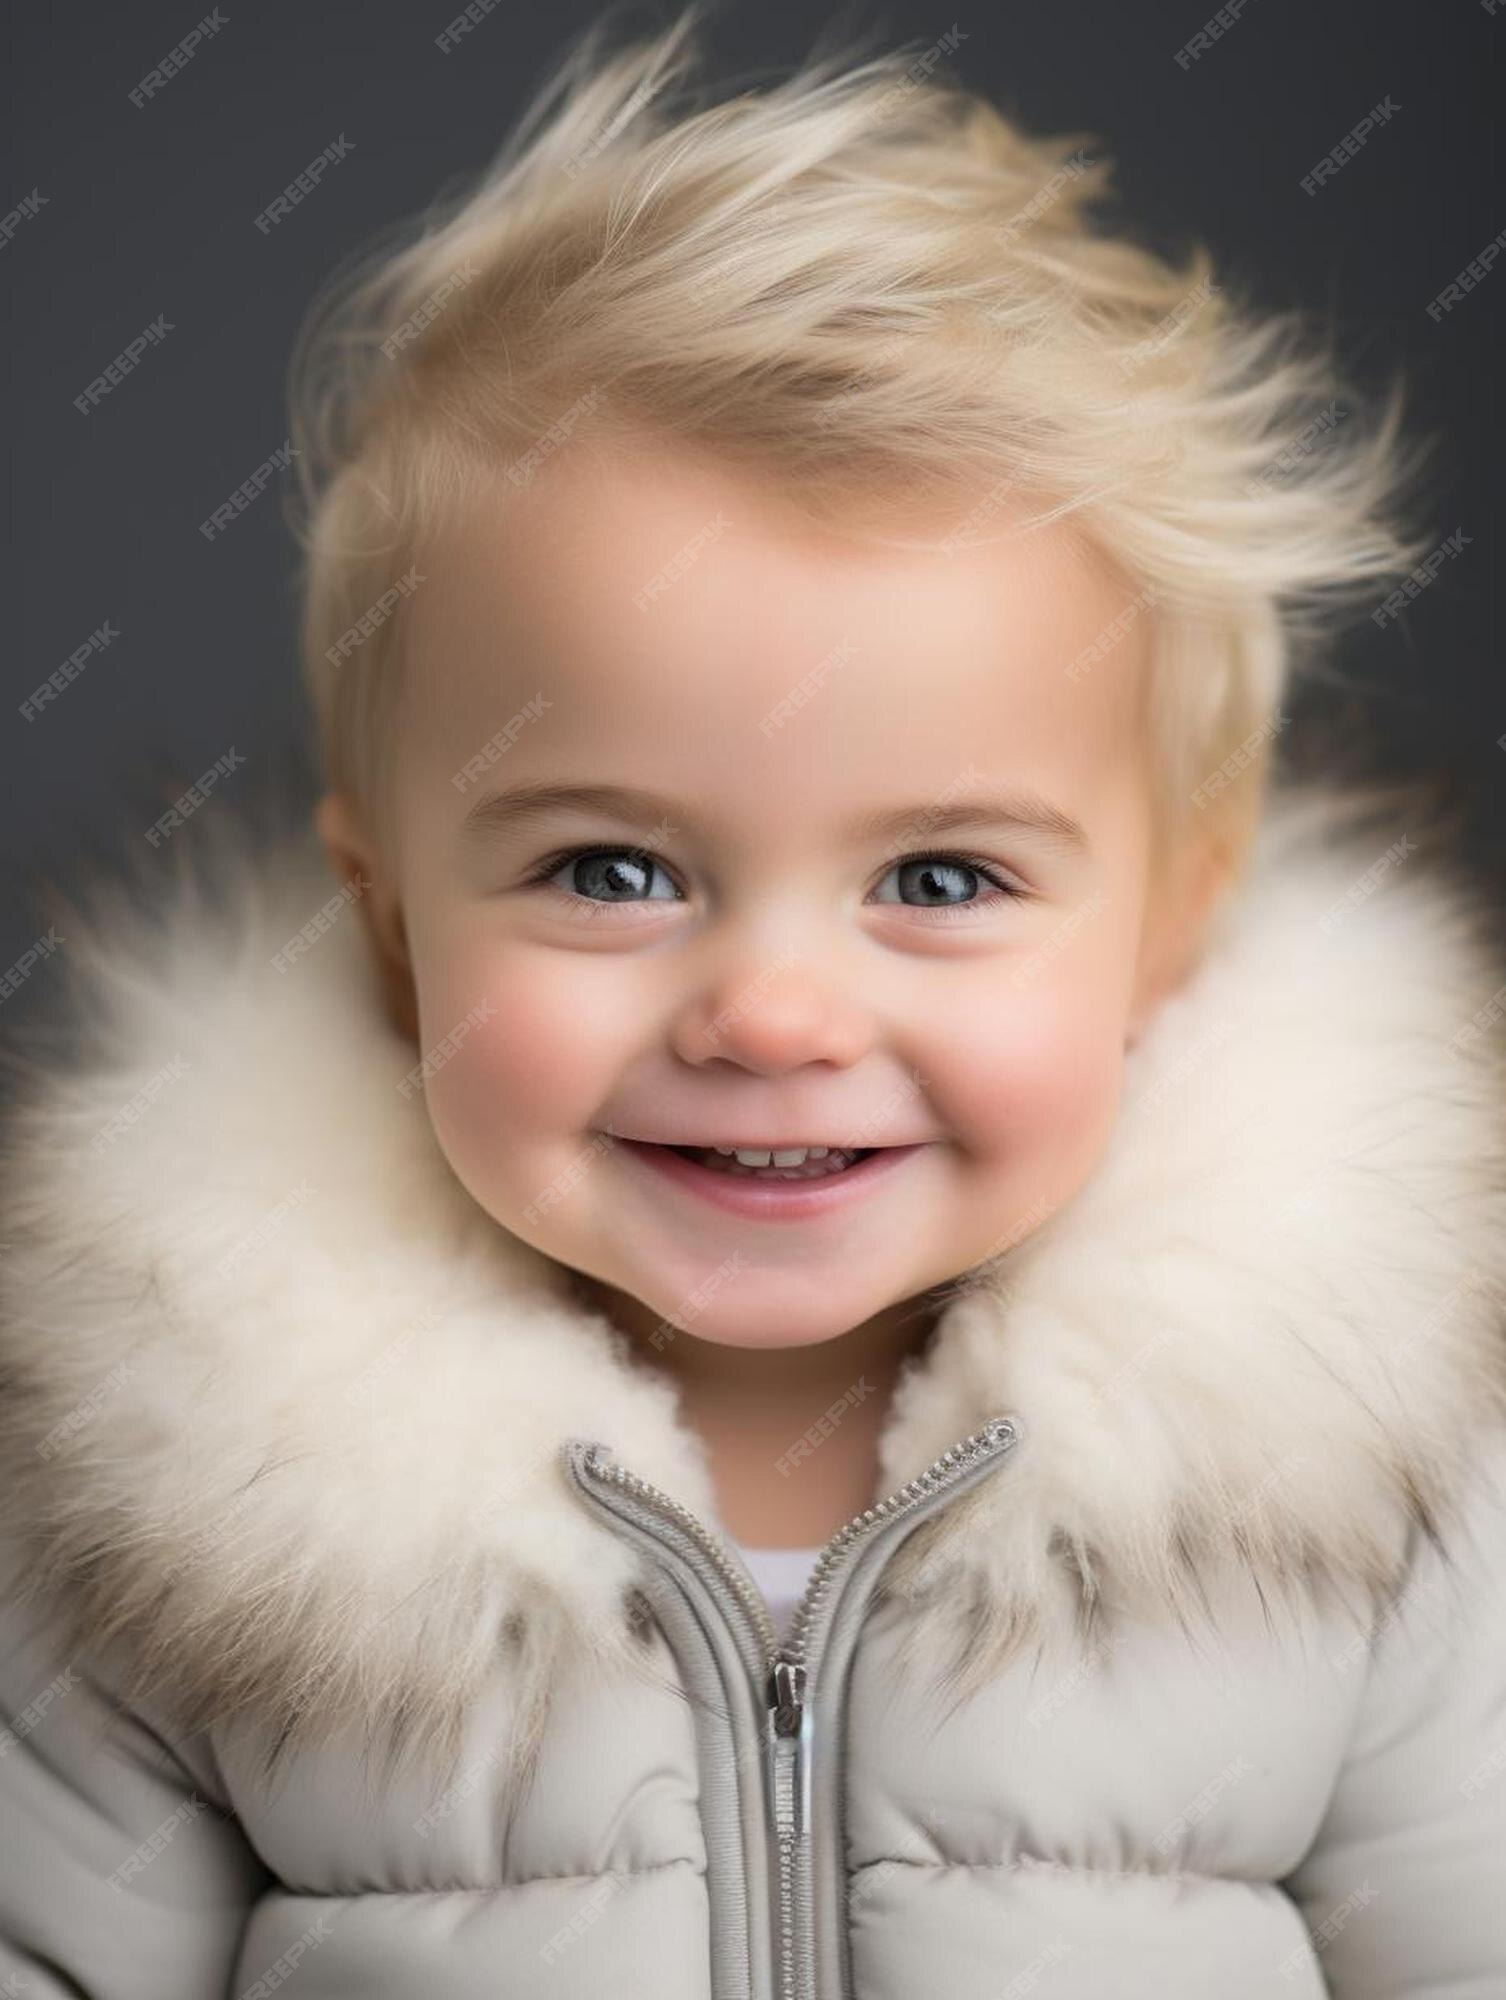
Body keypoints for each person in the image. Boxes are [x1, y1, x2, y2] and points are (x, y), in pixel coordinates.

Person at [2, 9, 1504, 1994]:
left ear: (1168, 927)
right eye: (611, 870)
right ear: (388, 924)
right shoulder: (160, 1506)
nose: (776, 1012)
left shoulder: (1371, 1483)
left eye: (943, 877)